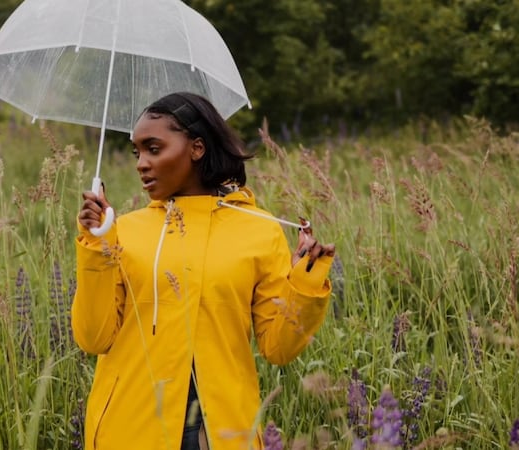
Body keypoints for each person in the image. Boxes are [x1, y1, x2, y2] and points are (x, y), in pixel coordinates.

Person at [73, 92, 335, 450]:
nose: (141, 164)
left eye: (154, 148)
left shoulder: (258, 230)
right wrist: (96, 245)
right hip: (130, 426)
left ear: (197, 148)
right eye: (137, 152)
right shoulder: (122, 231)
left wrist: (304, 280)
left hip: (223, 430)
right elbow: (93, 338)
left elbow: (279, 347)